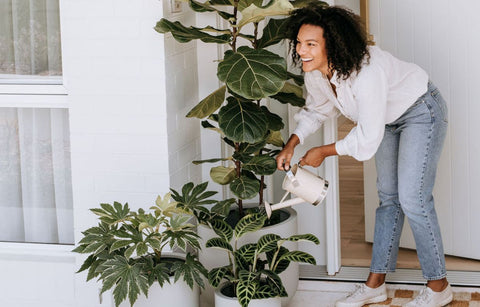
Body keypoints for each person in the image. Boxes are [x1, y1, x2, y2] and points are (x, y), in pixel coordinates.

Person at [277, 3, 452, 307]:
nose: (301, 51)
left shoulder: (366, 72)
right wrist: (292, 143)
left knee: (413, 199)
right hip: (386, 119)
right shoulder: (318, 73)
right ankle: (375, 284)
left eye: (310, 44)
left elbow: (368, 139)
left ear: (332, 44)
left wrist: (323, 151)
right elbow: (318, 110)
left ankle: (439, 287)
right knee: (389, 198)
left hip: (420, 111)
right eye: (299, 43)